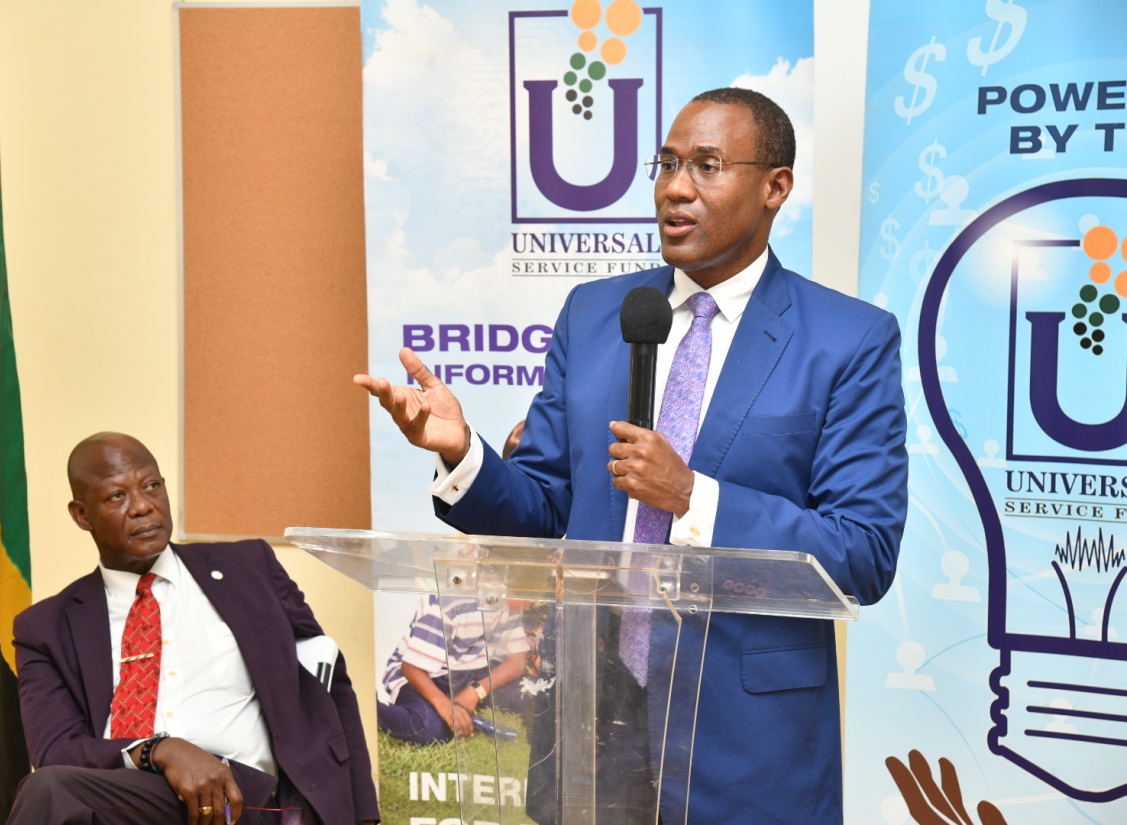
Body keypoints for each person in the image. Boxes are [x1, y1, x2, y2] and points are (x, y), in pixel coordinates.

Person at [355, 87, 908, 824]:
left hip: (746, 743)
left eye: (708, 166)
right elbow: (546, 504)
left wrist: (694, 498)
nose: (676, 187)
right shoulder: (596, 313)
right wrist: (464, 456)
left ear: (776, 187)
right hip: (590, 717)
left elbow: (863, 553)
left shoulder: (848, 340)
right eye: (669, 164)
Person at [8, 432, 380, 825]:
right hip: (128, 798)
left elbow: (328, 682)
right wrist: (161, 750)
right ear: (82, 515)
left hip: (245, 800)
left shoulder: (248, 568)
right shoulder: (46, 627)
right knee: (48, 790)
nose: (142, 507)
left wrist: (362, 817)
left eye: (152, 486)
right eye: (117, 496)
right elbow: (55, 751)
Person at [376, 593, 532, 745]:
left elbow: (516, 662)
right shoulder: (453, 605)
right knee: (430, 729)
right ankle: (373, 709)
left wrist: (474, 692)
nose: (535, 601)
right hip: (423, 672)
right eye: (532, 592)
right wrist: (444, 705)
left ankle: (457, 703)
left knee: (531, 692)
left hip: (470, 673)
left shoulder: (510, 607)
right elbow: (411, 668)